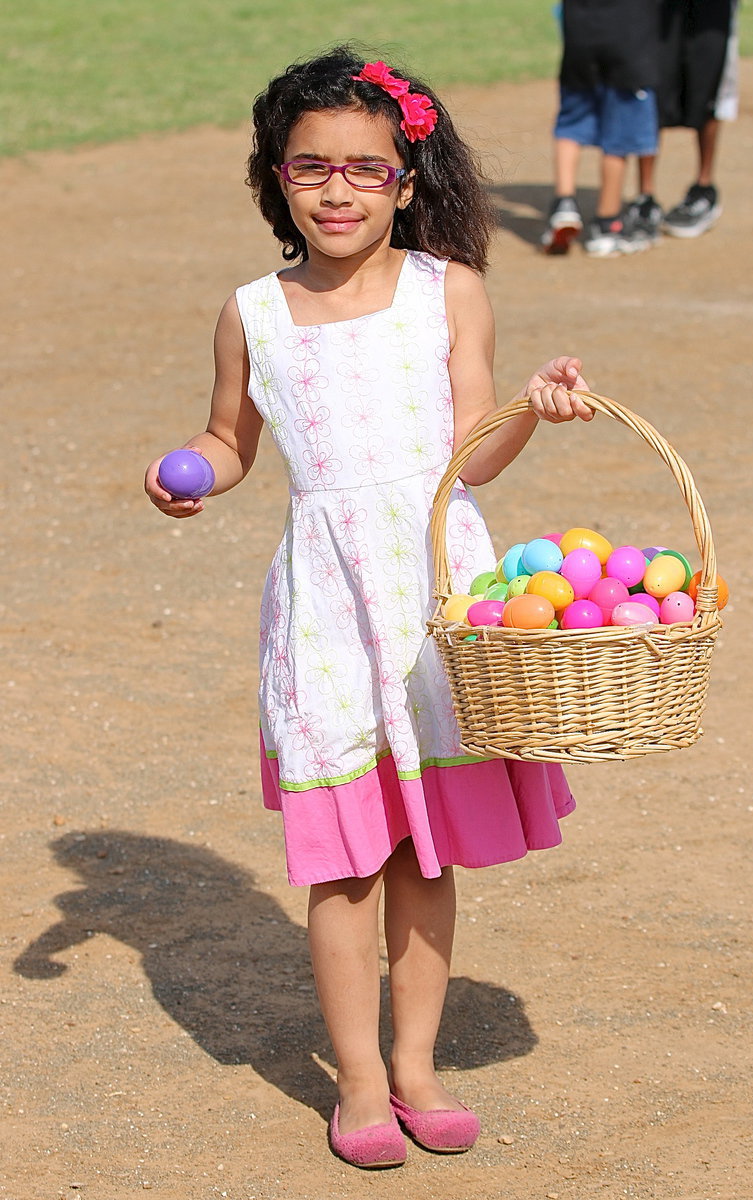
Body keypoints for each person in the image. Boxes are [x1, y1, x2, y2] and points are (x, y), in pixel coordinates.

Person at [145, 46, 593, 1170]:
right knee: (343, 860)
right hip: (328, 610)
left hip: (438, 599)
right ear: (276, 178)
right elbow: (229, 441)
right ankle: (353, 1080)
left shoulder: (453, 292)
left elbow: (475, 454)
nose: (338, 190)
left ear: (405, 177)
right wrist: (189, 468)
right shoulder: (253, 312)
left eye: (365, 169)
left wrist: (533, 409)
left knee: (424, 858)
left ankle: (415, 1067)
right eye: (312, 169)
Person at [541, 0, 661, 257]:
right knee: (619, 136)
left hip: (579, 37)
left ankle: (564, 204)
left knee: (571, 123)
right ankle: (607, 225)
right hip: (628, 41)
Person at [632, 0, 739, 238]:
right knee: (652, 88)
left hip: (711, 14)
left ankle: (703, 188)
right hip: (659, 11)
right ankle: (645, 197)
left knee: (709, 87)